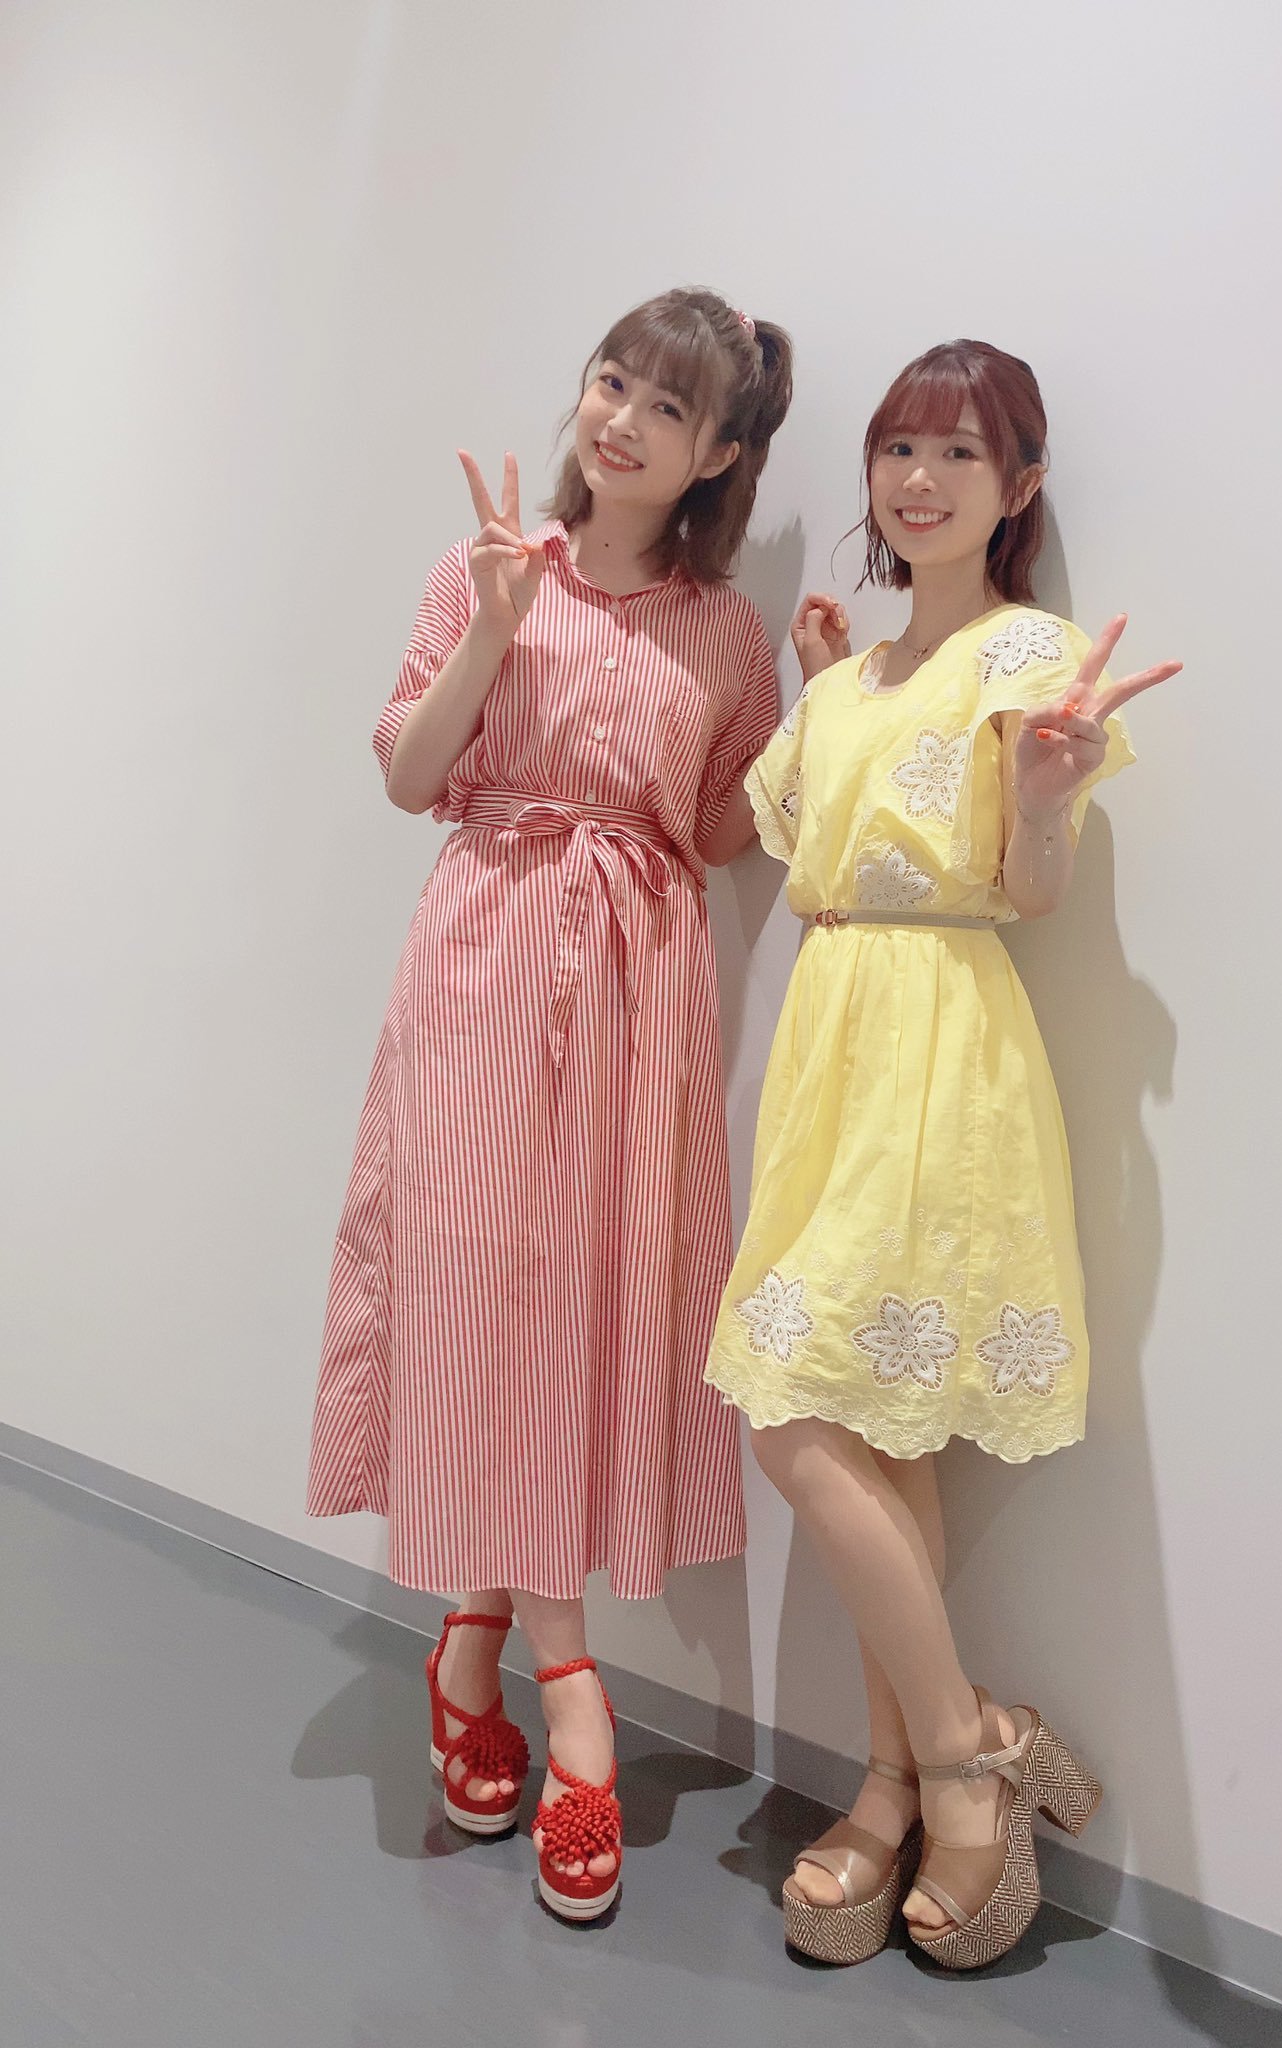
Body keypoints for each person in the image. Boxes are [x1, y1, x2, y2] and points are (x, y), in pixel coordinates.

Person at [307, 287, 792, 1922]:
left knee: (586, 1308)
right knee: (469, 1296)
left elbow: (717, 834)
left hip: (639, 996)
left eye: (669, 408)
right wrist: (499, 627)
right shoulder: (485, 569)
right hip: (482, 960)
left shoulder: (723, 635)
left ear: (717, 452)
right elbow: (408, 777)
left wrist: (821, 710)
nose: (622, 421)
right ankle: (564, 1676)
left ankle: (473, 1635)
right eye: (612, 382)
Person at [703, 339, 1180, 1967]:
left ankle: (961, 1772)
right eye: (898, 448)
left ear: (1019, 485)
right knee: (866, 1434)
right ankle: (915, 1772)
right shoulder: (843, 684)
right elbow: (772, 832)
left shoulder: (1028, 657)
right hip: (828, 1053)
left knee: (797, 1423)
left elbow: (1030, 890)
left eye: (961, 454)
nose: (919, 480)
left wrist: (1044, 793)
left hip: (942, 1053)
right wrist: (813, 674)